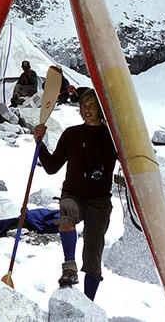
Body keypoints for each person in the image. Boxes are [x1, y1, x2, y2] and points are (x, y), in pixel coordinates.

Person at [33, 88, 117, 300]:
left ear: (101, 109)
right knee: (67, 211)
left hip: (99, 202)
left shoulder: (113, 138)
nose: (85, 110)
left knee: (93, 253)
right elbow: (52, 167)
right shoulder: (71, 134)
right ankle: (69, 267)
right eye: (83, 106)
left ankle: (88, 303)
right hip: (74, 195)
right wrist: (40, 144)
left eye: (91, 106)